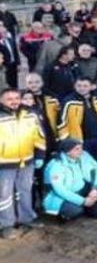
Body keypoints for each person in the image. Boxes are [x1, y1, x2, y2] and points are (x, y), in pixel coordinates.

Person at [0, 87, 45, 238]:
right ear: (1, 100)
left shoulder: (30, 114)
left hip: (27, 160)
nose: (14, 101)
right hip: (4, 162)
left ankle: (26, 218)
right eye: (9, 99)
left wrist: (39, 155)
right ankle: (6, 224)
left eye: (16, 98)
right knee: (4, 194)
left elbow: (39, 135)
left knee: (25, 191)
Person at [42, 137, 97, 221]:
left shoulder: (82, 156)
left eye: (81, 148)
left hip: (79, 189)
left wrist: (95, 189)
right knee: (76, 211)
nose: (81, 151)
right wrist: (82, 201)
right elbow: (60, 190)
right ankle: (62, 216)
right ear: (68, 152)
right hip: (60, 196)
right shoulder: (56, 165)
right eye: (77, 149)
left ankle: (90, 207)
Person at [58, 77, 97, 158]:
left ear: (92, 86)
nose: (82, 88)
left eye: (85, 86)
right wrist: (67, 142)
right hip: (81, 141)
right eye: (79, 86)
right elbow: (62, 123)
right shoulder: (69, 101)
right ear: (74, 86)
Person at [0, 22, 20, 89]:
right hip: (4, 66)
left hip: (13, 64)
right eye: (3, 33)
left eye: (5, 32)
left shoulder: (10, 40)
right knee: (6, 83)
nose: (5, 34)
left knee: (15, 82)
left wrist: (18, 63)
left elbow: (16, 52)